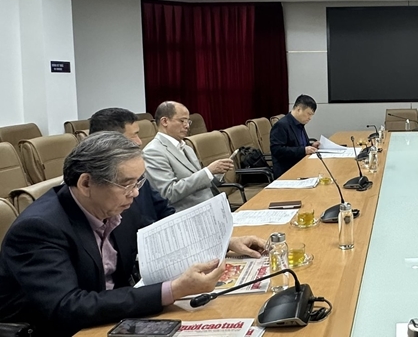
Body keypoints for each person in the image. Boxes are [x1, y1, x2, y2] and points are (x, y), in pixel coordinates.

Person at [0, 133, 266, 337]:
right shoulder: (39, 228)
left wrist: (223, 242)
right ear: (86, 183)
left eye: (139, 181)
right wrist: (174, 290)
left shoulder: (117, 202)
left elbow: (163, 237)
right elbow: (68, 306)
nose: (136, 193)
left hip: (114, 313)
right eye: (127, 184)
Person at [142, 101, 234, 212]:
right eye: (182, 121)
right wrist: (208, 172)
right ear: (165, 121)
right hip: (188, 213)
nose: (187, 126)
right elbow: (168, 193)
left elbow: (197, 182)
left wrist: (216, 174)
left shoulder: (186, 147)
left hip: (211, 206)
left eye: (188, 121)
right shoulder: (153, 151)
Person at [89, 107, 174, 224]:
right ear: (110, 141)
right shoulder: (100, 184)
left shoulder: (133, 170)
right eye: (134, 136)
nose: (139, 142)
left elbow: (162, 207)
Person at [270, 94, 320, 178]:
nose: (310, 118)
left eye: (312, 115)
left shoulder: (299, 124)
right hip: (287, 170)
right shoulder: (281, 125)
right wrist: (303, 150)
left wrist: (311, 146)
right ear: (299, 109)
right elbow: (277, 150)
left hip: (302, 164)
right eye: (308, 114)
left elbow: (299, 145)